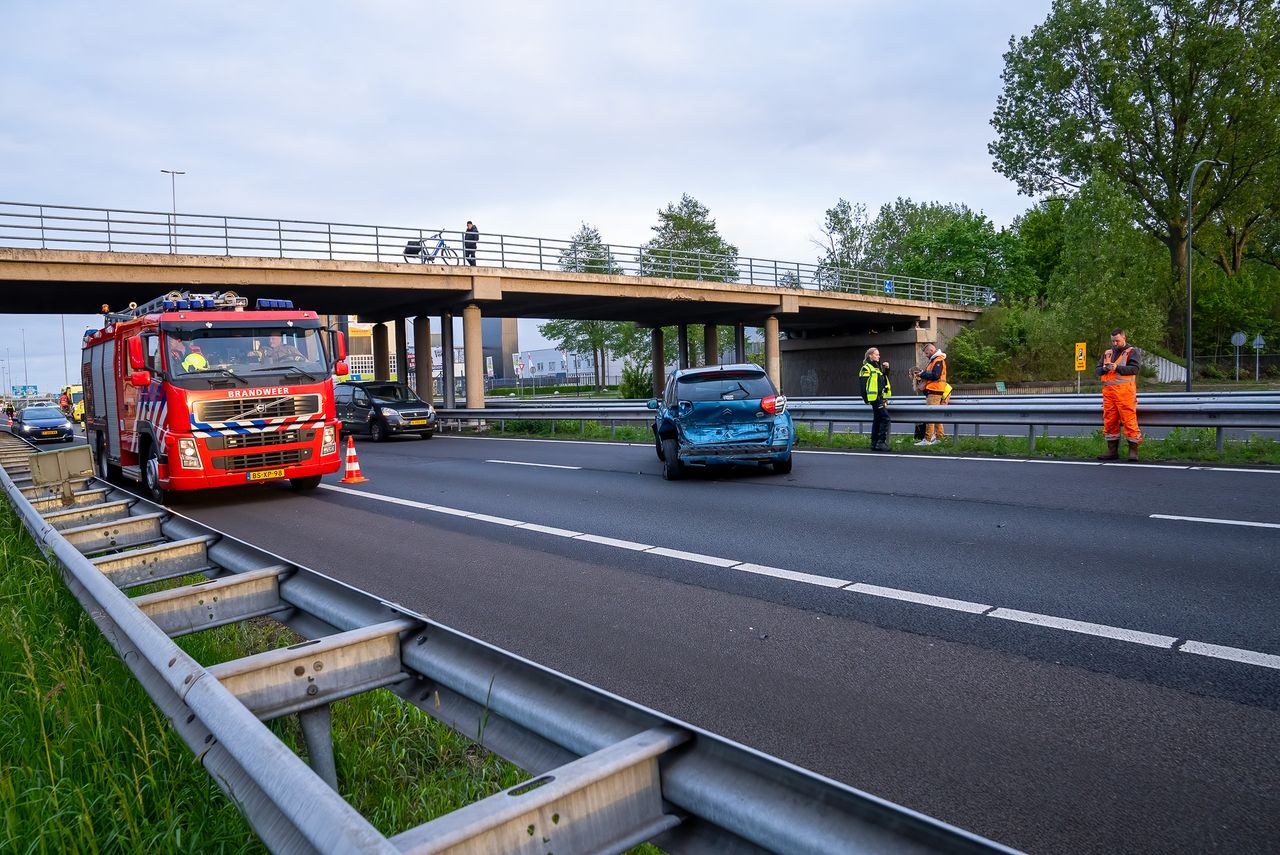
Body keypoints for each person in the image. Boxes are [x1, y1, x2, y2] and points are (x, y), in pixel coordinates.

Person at [1096, 328, 1142, 461]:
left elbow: (1135, 369)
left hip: (1125, 394)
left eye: (1117, 341)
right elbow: (1097, 371)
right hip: (1109, 395)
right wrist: (1104, 368)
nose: (1115, 343)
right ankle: (1112, 452)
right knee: (1109, 422)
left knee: (1129, 421)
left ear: (1124, 338)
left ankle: (1133, 452)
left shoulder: (1132, 352)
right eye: (1113, 341)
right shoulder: (1107, 353)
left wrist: (1117, 368)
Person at [859, 346, 892, 451]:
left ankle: (874, 443)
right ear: (870, 356)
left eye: (879, 354)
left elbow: (883, 381)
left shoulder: (877, 367)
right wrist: (866, 399)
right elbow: (863, 385)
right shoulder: (866, 368)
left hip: (880, 398)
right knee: (885, 418)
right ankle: (881, 442)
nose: (879, 356)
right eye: (877, 354)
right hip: (875, 399)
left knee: (877, 420)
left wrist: (886, 370)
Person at [915, 342, 947, 445]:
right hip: (935, 390)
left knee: (930, 416)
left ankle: (927, 439)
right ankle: (940, 438)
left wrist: (922, 374)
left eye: (926, 353)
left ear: (932, 350)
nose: (925, 355)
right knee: (935, 416)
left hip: (934, 391)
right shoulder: (935, 360)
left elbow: (935, 375)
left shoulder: (938, 360)